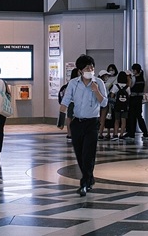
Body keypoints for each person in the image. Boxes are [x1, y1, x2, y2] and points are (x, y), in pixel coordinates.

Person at [59, 54, 108, 197]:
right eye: (87, 67)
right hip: (77, 123)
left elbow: (104, 103)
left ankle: (84, 183)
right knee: (80, 154)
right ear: (80, 70)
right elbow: (66, 100)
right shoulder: (74, 83)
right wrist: (61, 119)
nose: (90, 69)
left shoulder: (98, 82)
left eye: (92, 66)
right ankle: (89, 177)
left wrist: (96, 90)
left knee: (88, 154)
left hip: (92, 123)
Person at [125, 63, 148, 140]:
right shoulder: (143, 77)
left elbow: (129, 86)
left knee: (132, 116)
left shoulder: (133, 78)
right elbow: (145, 88)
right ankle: (145, 133)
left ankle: (131, 134)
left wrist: (128, 79)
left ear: (135, 70)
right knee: (139, 116)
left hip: (133, 98)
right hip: (139, 98)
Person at [99, 64, 118, 140]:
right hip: (104, 102)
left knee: (99, 119)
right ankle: (100, 134)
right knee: (102, 119)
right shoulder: (107, 84)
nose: (107, 77)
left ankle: (99, 133)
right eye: (106, 75)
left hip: (97, 103)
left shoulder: (96, 83)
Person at [111, 70, 131, 139]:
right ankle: (121, 134)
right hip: (125, 106)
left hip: (117, 106)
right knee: (123, 120)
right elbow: (129, 96)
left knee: (116, 120)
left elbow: (112, 96)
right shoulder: (127, 87)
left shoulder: (115, 86)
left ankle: (116, 134)